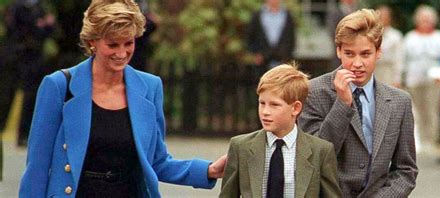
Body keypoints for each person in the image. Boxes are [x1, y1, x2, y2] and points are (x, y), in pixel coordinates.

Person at [19, 0, 226, 197]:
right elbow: (37, 168)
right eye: (112, 45)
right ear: (92, 42)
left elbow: (156, 162)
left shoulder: (150, 87)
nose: (122, 53)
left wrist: (209, 170)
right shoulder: (59, 86)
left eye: (128, 43)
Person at [298, 9, 418, 197]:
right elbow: (312, 159)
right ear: (338, 51)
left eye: (365, 54)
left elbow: (406, 170)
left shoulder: (399, 102)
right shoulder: (314, 92)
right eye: (349, 54)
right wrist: (343, 103)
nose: (357, 63)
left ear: (378, 52)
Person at [219, 64, 342, 198]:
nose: (265, 112)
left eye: (274, 105)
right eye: (262, 103)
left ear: (295, 108)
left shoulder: (321, 151)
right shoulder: (240, 147)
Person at [1, 0, 55, 147]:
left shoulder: (40, 7)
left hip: (33, 58)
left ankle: (23, 134)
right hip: (14, 57)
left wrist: (45, 25)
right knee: (6, 95)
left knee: (30, 97)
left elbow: (49, 29)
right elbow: (13, 29)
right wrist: (38, 26)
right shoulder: (16, 7)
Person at [403, 5, 440, 150]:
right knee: (417, 111)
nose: (426, 22)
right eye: (423, 19)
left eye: (429, 19)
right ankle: (420, 141)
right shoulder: (410, 37)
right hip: (414, 80)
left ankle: (432, 140)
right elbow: (404, 60)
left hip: (434, 81)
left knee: (433, 110)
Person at [247, 0, 295, 74]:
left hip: (282, 57)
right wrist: (255, 53)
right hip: (262, 58)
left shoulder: (287, 15)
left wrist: (287, 55)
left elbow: (291, 37)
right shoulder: (257, 15)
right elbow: (251, 35)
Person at [374, 5, 404, 87]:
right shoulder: (370, 35)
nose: (382, 18)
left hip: (389, 72)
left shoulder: (396, 36)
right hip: (374, 71)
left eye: (385, 16)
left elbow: (399, 59)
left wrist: (397, 79)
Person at [326, 0, 358, 68]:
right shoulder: (334, 13)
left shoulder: (359, 12)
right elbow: (332, 32)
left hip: (357, 53)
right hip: (340, 55)